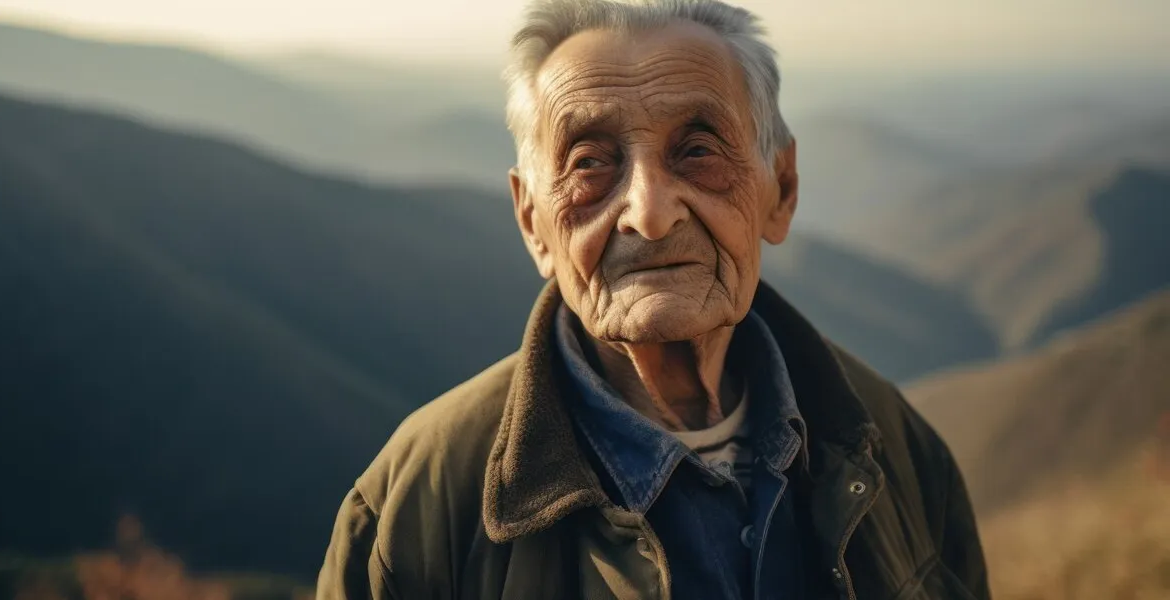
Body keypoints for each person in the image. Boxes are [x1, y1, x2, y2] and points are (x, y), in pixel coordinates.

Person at [316, 0, 990, 598]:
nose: (649, 212)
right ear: (532, 223)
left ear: (780, 191)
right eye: (589, 162)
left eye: (697, 150)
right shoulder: (413, 508)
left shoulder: (891, 444)